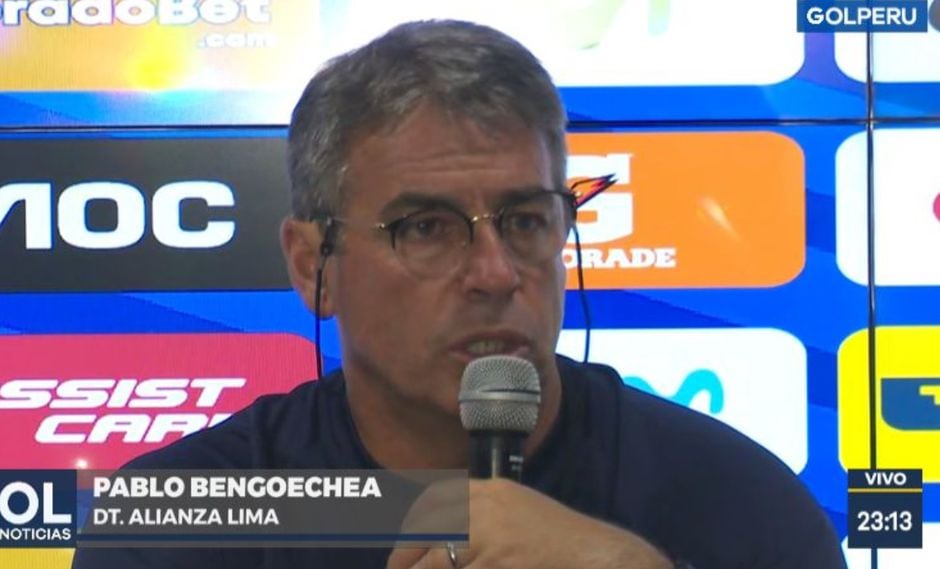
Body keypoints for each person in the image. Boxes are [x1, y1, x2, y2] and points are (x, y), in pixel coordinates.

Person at [73, 19, 846, 569]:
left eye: (525, 220)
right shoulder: (186, 519)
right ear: (314, 266)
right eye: (426, 228)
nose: (495, 272)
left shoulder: (742, 505)